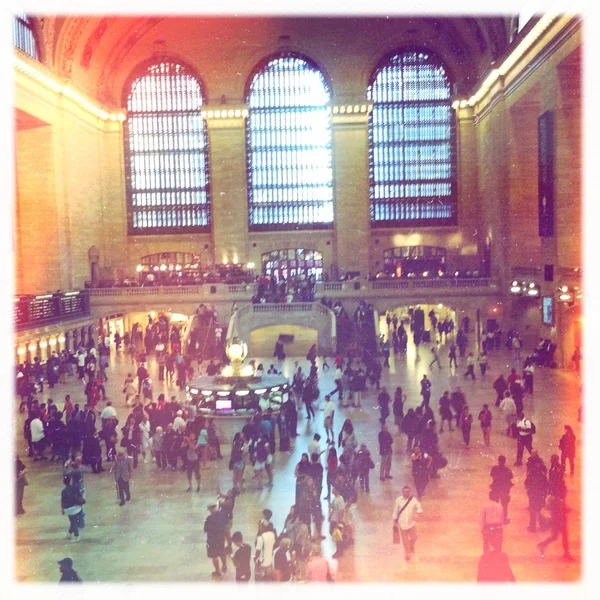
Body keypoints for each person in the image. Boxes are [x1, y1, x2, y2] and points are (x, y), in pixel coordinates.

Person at [537, 495, 574, 560]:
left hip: (558, 519)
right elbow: (557, 508)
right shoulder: (557, 497)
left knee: (557, 536)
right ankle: (566, 553)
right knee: (559, 536)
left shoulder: (557, 497)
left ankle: (542, 545)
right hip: (559, 519)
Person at [392, 485, 423, 561]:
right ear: (402, 492)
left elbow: (419, 507)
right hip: (402, 524)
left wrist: (418, 513)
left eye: (408, 491)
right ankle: (407, 554)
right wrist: (394, 520)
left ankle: (411, 545)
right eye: (405, 491)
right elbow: (395, 511)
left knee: (414, 537)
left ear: (410, 492)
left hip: (411, 523)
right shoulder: (398, 500)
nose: (406, 493)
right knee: (405, 540)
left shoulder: (413, 500)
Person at [525, 450, 548, 532]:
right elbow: (546, 485)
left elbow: (527, 484)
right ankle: (543, 526)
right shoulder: (542, 477)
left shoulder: (531, 475)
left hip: (533, 495)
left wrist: (528, 491)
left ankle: (532, 527)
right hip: (540, 495)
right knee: (540, 511)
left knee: (533, 511)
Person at [205, 503, 228, 577]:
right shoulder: (223, 514)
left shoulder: (209, 518)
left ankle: (218, 571)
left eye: (209, 510)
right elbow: (226, 523)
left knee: (214, 556)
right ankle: (224, 565)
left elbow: (206, 529)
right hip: (221, 537)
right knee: (222, 552)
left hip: (212, 539)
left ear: (211, 509)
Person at [490, 456, 513, 523]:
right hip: (504, 489)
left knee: (495, 504)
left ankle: (495, 518)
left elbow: (493, 476)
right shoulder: (508, 470)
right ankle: (504, 518)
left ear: (498, 460)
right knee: (504, 505)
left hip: (496, 488)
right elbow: (510, 478)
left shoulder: (494, 468)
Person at [329, 487, 346, 559]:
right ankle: (339, 551)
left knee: (338, 536)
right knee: (335, 535)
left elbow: (342, 511)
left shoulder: (340, 500)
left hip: (338, 521)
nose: (332, 490)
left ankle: (339, 551)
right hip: (334, 519)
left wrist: (338, 521)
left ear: (337, 490)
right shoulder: (335, 499)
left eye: (334, 489)